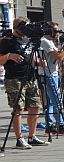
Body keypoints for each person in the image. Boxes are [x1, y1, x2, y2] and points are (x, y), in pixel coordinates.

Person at [0, 17, 48, 149]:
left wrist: (38, 61)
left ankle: (32, 136)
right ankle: (19, 138)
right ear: (18, 28)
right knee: (18, 109)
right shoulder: (6, 41)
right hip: (15, 78)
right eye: (25, 28)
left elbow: (30, 56)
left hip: (30, 77)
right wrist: (9, 56)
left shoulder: (28, 40)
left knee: (35, 106)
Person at [37, 22, 64, 133]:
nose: (58, 33)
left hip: (52, 73)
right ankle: (60, 124)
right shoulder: (45, 41)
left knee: (50, 101)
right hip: (47, 74)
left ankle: (49, 124)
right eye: (56, 31)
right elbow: (59, 57)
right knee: (55, 100)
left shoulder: (50, 42)